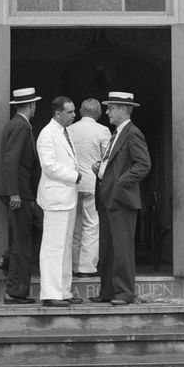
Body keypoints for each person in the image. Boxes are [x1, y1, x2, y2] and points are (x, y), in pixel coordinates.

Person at [91, 92, 151, 305]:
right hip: (108, 198)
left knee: (122, 247)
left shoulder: (132, 133)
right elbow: (115, 163)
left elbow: (143, 164)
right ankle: (107, 292)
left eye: (110, 108)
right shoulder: (117, 133)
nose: (107, 112)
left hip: (121, 199)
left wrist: (120, 181)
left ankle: (125, 293)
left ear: (123, 109)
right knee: (107, 248)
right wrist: (100, 169)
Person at [35, 96, 84, 307]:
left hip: (67, 196)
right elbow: (48, 165)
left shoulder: (65, 133)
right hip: (56, 197)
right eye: (70, 112)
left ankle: (63, 290)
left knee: (64, 246)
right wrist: (74, 176)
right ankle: (50, 292)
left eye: (74, 111)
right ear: (58, 113)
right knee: (53, 246)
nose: (74, 115)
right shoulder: (47, 134)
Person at [0, 87, 42, 304]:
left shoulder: (18, 124)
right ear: (32, 105)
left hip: (23, 193)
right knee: (22, 242)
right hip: (19, 194)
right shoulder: (21, 126)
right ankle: (16, 291)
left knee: (35, 229)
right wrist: (14, 192)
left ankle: (6, 260)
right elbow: (11, 160)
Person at [68, 97, 111, 277]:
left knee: (74, 226)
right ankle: (87, 267)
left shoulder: (69, 129)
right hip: (93, 183)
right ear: (99, 113)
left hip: (72, 182)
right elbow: (108, 158)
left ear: (80, 111)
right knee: (92, 225)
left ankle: (73, 265)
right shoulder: (103, 130)